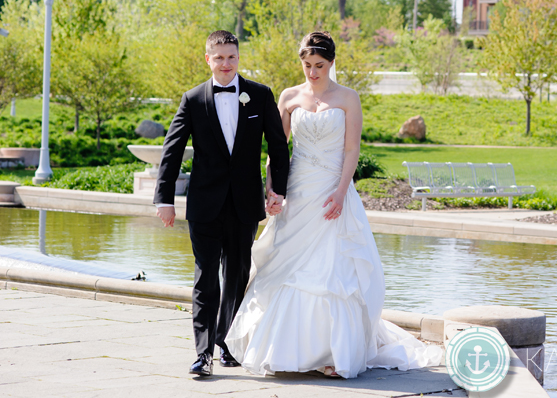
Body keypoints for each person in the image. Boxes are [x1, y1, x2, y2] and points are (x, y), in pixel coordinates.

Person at [225, 31, 442, 378]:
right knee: (288, 270)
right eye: (307, 65)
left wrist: (342, 192)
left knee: (331, 272)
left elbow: (351, 149)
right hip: (297, 191)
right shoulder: (289, 96)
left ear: (331, 63)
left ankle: (333, 355)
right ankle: (283, 353)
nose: (312, 72)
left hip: (331, 190)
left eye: (319, 66)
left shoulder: (348, 98)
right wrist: (273, 190)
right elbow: (277, 151)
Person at [154, 30, 291, 377]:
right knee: (205, 277)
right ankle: (203, 354)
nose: (225, 64)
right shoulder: (193, 99)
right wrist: (165, 199)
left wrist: (279, 191)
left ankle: (225, 341)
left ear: (238, 57)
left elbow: (278, 146)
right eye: (219, 58)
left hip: (244, 203)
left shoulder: (259, 95)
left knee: (236, 275)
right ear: (208, 59)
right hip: (204, 204)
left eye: (231, 57)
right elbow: (171, 151)